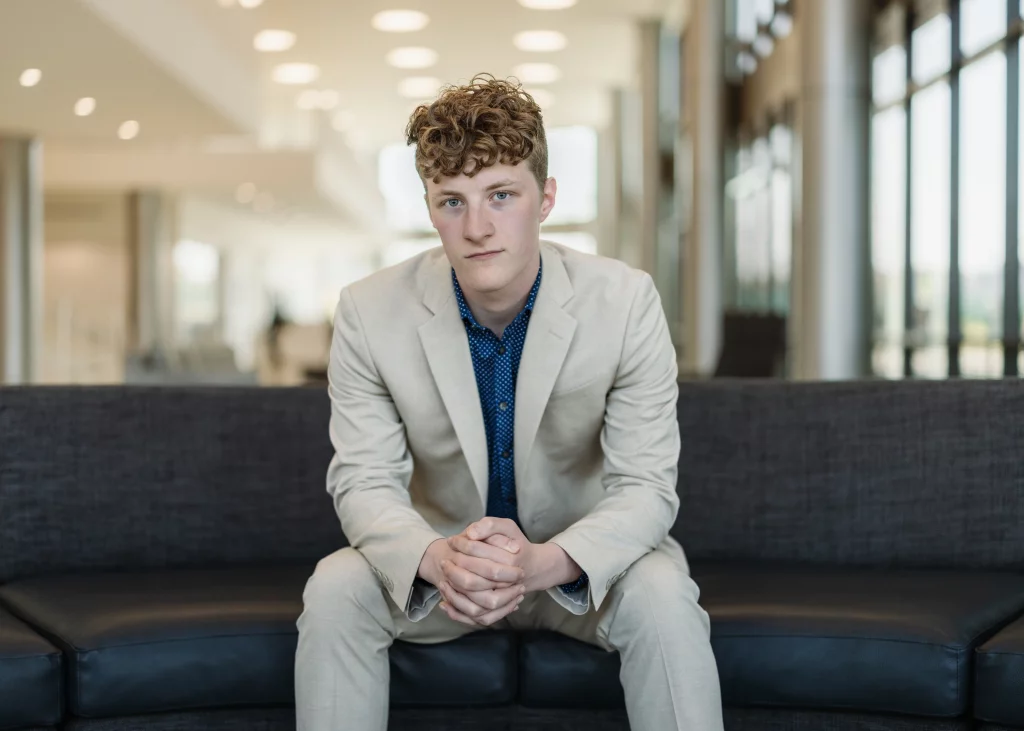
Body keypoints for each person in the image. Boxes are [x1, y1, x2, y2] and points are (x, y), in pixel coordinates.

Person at [294, 74, 723, 731]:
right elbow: (362, 480)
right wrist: (438, 560)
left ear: (545, 197)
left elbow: (646, 489)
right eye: (452, 201)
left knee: (665, 591)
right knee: (334, 586)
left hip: (574, 566)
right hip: (444, 571)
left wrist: (541, 563)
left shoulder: (625, 301)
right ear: (429, 206)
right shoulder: (367, 311)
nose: (477, 227)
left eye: (501, 195)